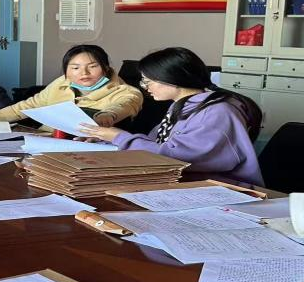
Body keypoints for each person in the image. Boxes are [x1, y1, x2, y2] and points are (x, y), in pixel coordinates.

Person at [78, 47, 264, 187]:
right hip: (185, 183)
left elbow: (178, 157)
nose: (145, 87)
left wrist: (119, 137)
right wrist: (106, 141)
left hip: (222, 189)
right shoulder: (182, 105)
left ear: (172, 79)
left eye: (148, 81)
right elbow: (155, 145)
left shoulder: (218, 112)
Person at [0, 44, 142, 126]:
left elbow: (124, 106)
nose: (84, 73)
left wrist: (107, 116)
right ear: (67, 71)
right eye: (75, 68)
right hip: (46, 140)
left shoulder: (127, 92)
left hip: (87, 145)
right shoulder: (62, 83)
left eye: (92, 67)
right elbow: (30, 105)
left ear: (106, 68)